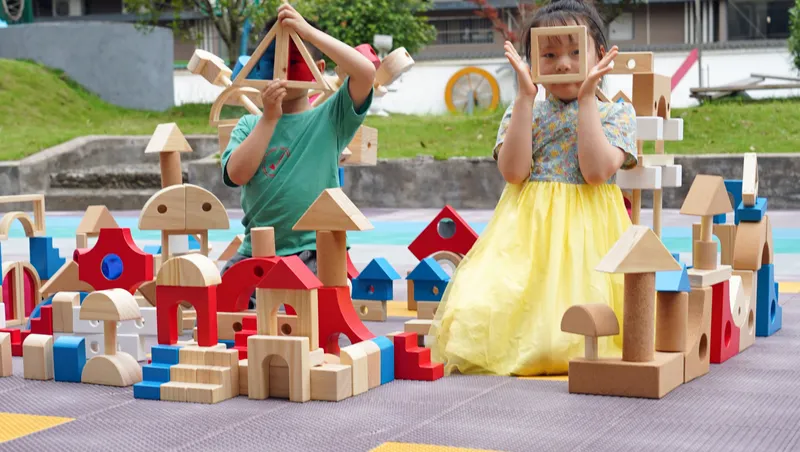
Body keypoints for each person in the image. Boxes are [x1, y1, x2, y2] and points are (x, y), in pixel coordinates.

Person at [428, 0, 638, 376]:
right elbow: (512, 171)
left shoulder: (616, 113)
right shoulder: (523, 109)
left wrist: (588, 97)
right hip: (526, 230)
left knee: (579, 324)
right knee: (482, 310)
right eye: (550, 54)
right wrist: (526, 98)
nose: (563, 63)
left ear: (601, 57)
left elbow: (595, 171)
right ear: (533, 63)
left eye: (576, 52)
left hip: (588, 232)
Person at [220, 3, 375, 308]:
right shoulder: (250, 124)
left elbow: (366, 72)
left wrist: (306, 32)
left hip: (314, 251)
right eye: (271, 61)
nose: (281, 73)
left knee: (306, 318)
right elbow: (236, 174)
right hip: (255, 252)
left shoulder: (331, 117)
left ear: (317, 69)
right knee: (225, 306)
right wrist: (268, 119)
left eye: (292, 61)